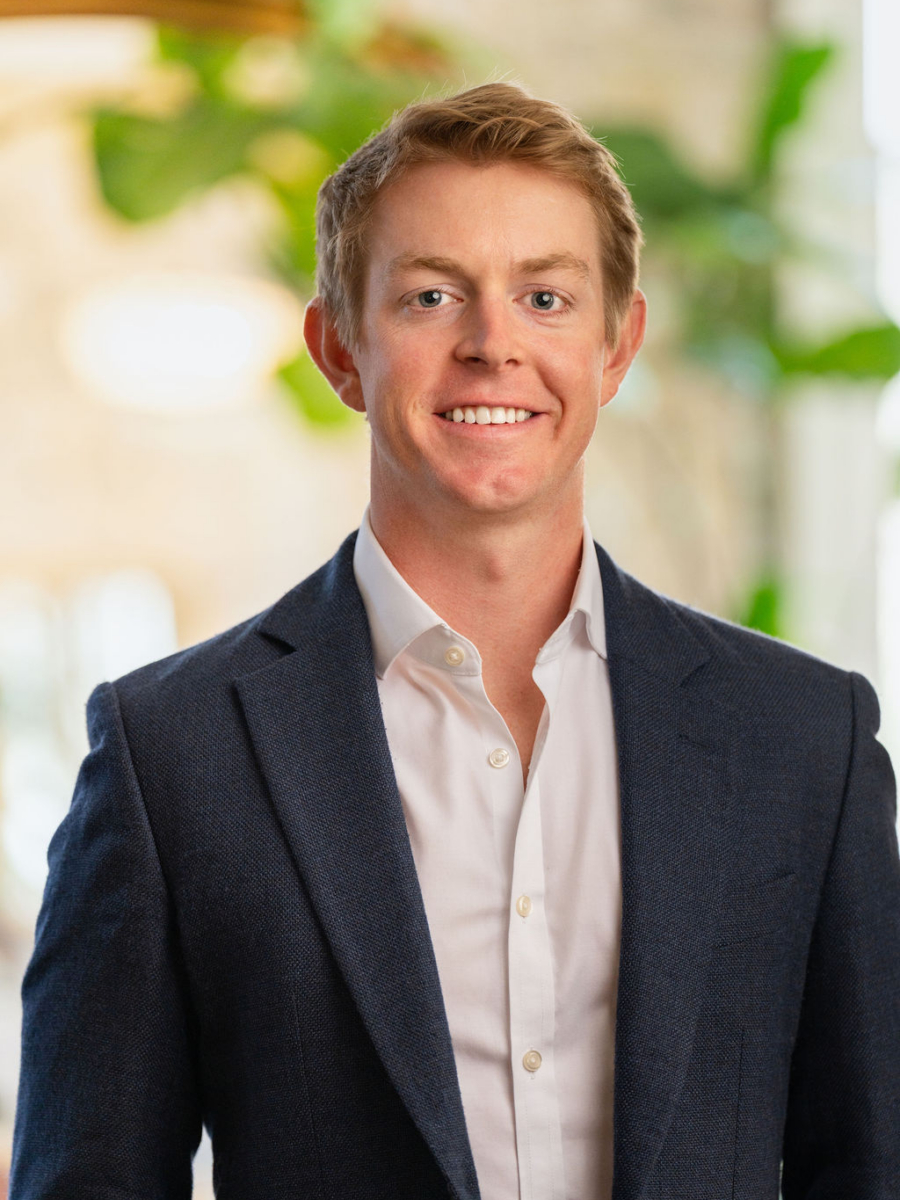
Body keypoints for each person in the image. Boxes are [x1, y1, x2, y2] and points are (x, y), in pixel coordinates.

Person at [10, 82, 900, 1200]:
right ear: (338, 350)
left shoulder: (803, 739)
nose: (492, 345)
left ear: (618, 346)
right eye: (431, 296)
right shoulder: (170, 754)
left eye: (545, 297)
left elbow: (870, 1165)